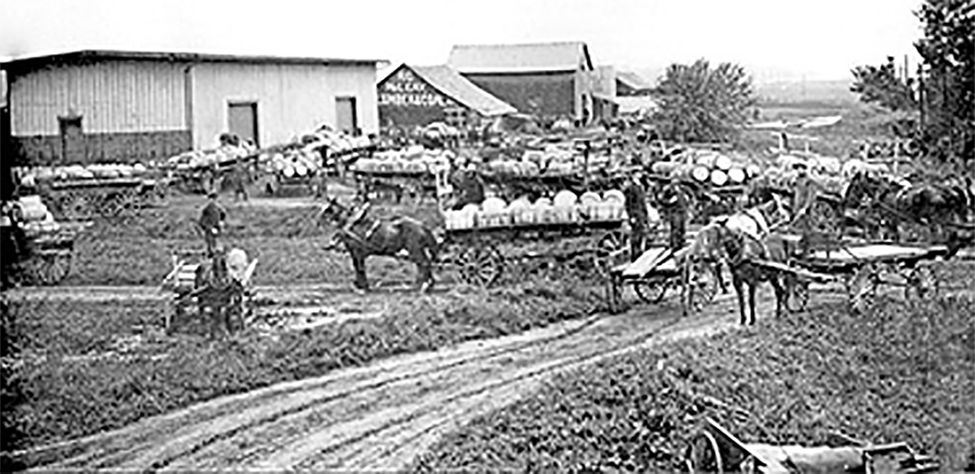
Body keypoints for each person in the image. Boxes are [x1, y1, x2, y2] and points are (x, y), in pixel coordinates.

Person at [623, 173, 649, 262]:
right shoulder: (631, 188)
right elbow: (629, 204)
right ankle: (634, 255)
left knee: (641, 233)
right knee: (635, 235)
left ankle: (639, 254)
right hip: (635, 214)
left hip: (641, 213)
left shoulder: (640, 186)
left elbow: (642, 203)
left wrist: (645, 215)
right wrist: (631, 216)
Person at [658, 180, 689, 252]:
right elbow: (662, 200)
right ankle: (675, 244)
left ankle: (681, 241)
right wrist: (669, 202)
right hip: (674, 212)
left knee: (681, 227)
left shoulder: (682, 190)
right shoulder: (669, 191)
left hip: (682, 211)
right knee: (676, 228)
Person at [198, 191, 227, 257]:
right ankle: (211, 251)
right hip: (209, 226)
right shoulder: (208, 207)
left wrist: (221, 222)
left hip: (214, 225)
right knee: (210, 239)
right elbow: (202, 217)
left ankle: (215, 251)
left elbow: (223, 214)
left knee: (213, 238)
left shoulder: (216, 207)